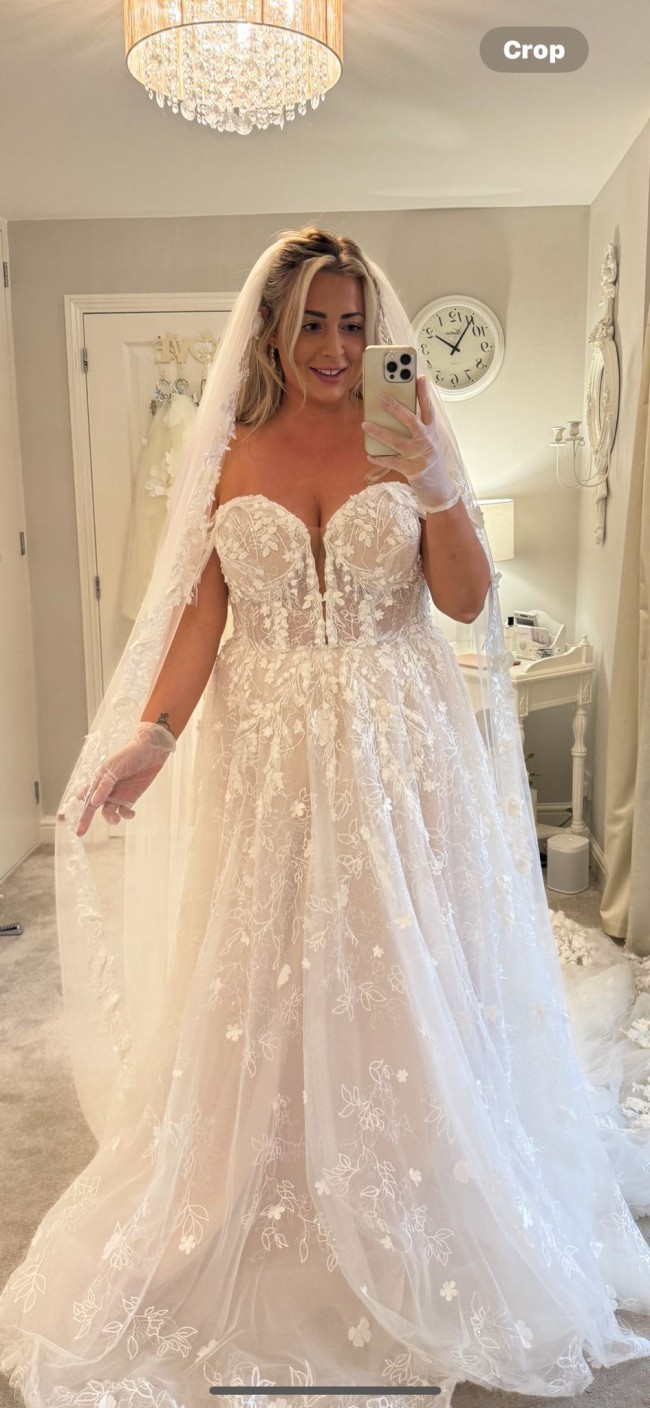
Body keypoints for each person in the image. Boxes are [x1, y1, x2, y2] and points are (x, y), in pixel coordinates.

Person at [2, 225, 650, 1408]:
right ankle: (263, 1175)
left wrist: (435, 477)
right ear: (271, 327)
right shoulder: (226, 449)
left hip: (396, 749)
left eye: (353, 324)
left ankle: (417, 1170)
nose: (336, 347)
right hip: (262, 755)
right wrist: (152, 735)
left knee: (399, 957)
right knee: (263, 957)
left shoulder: (406, 436)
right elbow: (199, 615)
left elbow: (461, 597)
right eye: (312, 322)